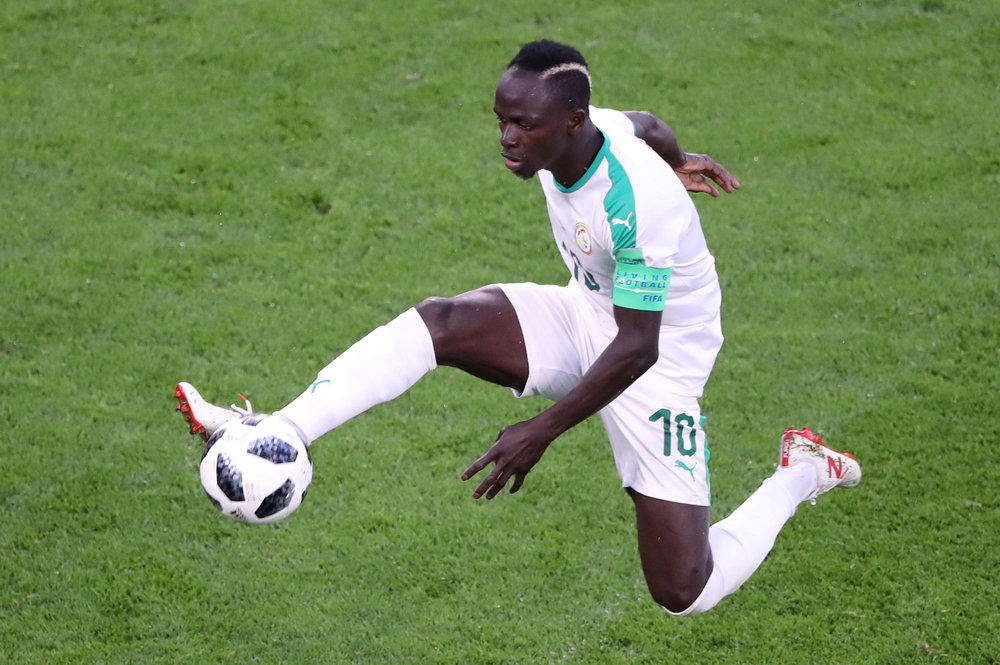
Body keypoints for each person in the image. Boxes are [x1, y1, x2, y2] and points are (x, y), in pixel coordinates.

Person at [174, 39, 860, 616]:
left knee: (684, 589)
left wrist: (542, 429)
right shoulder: (588, 132)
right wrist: (679, 157)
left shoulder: (635, 205)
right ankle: (279, 431)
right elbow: (645, 123)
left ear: (570, 122)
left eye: (522, 124)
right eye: (501, 118)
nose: (506, 137)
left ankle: (800, 471)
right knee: (440, 322)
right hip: (588, 312)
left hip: (659, 364)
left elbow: (637, 347)